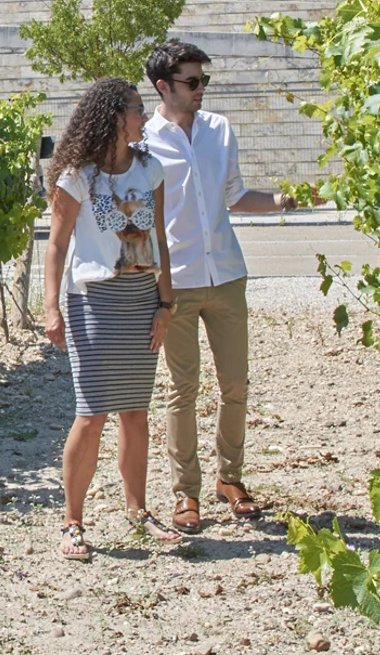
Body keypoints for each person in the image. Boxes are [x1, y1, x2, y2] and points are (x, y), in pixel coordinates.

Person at [142, 41, 309, 534]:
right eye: (192, 82)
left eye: (203, 82)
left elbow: (235, 196)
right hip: (176, 284)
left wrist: (282, 200)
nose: (200, 91)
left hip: (228, 275)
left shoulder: (220, 130)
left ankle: (229, 481)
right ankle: (185, 494)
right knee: (182, 390)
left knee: (236, 385)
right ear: (163, 87)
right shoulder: (144, 141)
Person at [42, 78, 179, 561]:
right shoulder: (77, 176)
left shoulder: (151, 169)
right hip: (93, 302)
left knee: (136, 412)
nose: (145, 117)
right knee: (92, 411)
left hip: (141, 299)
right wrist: (51, 306)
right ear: (115, 118)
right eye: (139, 110)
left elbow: (158, 238)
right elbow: (56, 246)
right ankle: (72, 523)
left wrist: (165, 305)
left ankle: (138, 511)